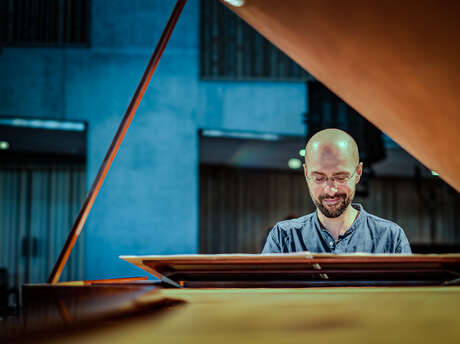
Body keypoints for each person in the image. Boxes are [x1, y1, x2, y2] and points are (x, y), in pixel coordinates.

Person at [262, 128, 411, 254]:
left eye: (340, 178)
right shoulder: (284, 237)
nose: (330, 190)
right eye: (319, 178)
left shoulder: (390, 237)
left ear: (358, 172)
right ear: (306, 174)